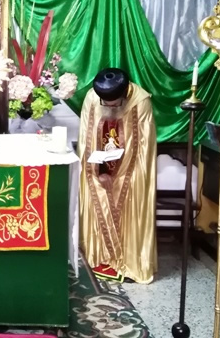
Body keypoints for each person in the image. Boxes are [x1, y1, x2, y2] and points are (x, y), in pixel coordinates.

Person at [78, 68, 157, 283]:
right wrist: (98, 170)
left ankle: (129, 263)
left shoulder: (140, 102)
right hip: (98, 167)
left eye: (114, 105)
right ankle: (99, 258)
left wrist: (118, 172)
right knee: (94, 192)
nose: (109, 108)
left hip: (129, 170)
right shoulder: (93, 98)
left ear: (124, 96)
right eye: (106, 104)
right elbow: (86, 139)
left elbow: (142, 146)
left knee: (129, 201)